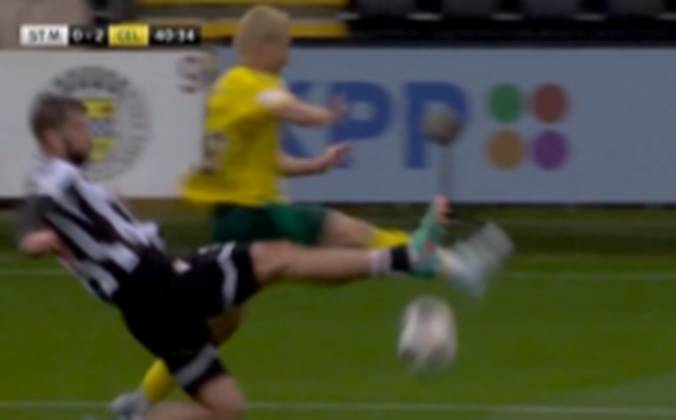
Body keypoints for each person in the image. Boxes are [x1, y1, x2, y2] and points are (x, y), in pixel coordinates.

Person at [19, 94, 494, 420]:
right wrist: (30, 236)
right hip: (158, 283)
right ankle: (407, 258)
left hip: (149, 308)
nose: (89, 136)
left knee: (227, 406)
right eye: (80, 128)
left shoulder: (68, 182)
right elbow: (36, 208)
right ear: (54, 137)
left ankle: (135, 413)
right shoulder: (54, 174)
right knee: (280, 259)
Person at [113, 5, 464, 415]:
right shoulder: (248, 83)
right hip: (252, 214)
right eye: (286, 46)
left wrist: (315, 165)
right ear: (264, 46)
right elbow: (284, 106)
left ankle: (140, 401)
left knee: (216, 326)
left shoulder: (235, 90)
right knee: (330, 229)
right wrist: (325, 116)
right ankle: (424, 256)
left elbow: (267, 160)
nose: (289, 56)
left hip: (235, 217)